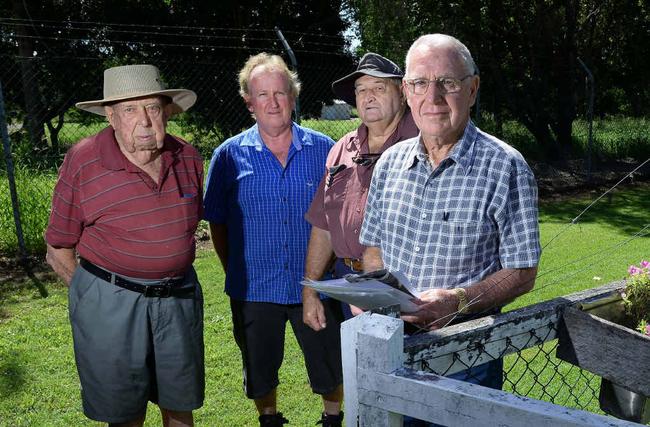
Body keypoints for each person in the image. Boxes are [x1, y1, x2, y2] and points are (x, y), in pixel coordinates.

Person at [360, 34, 541, 424]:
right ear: (407, 92)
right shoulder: (389, 163)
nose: (434, 96)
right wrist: (372, 295)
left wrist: (457, 301)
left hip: (466, 354)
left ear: (472, 89)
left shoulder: (505, 167)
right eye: (420, 83)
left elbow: (523, 271)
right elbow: (373, 249)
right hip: (390, 348)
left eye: (448, 82)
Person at [45, 64, 204, 427]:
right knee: (123, 413)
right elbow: (58, 247)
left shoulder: (189, 157)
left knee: (180, 405)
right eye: (130, 109)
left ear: (166, 111)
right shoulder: (84, 161)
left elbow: (187, 225)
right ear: (110, 116)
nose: (144, 120)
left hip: (178, 300)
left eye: (152, 107)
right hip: (111, 306)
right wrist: (94, 301)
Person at [203, 53, 343, 427]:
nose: (273, 102)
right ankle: (270, 419)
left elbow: (337, 216)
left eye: (280, 92)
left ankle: (332, 419)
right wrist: (234, 268)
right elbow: (217, 223)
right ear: (249, 102)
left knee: (329, 362)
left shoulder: (324, 150)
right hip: (254, 288)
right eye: (262, 94)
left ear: (293, 97)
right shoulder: (228, 156)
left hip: (315, 286)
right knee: (260, 367)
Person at [303, 52, 418, 328]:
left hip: (409, 283)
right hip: (350, 283)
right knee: (363, 367)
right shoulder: (341, 149)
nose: (369, 96)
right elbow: (324, 225)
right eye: (361, 90)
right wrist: (310, 290)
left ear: (402, 94)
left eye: (379, 88)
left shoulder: (424, 143)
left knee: (416, 365)